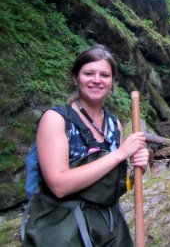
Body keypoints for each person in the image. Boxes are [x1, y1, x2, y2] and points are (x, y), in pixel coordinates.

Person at [22, 45, 149, 246]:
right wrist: (119, 154)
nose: (97, 80)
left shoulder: (113, 124)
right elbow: (58, 185)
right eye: (89, 73)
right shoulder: (56, 119)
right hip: (63, 226)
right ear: (75, 78)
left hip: (109, 225)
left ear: (112, 82)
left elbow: (117, 182)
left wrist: (137, 170)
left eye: (104, 75)